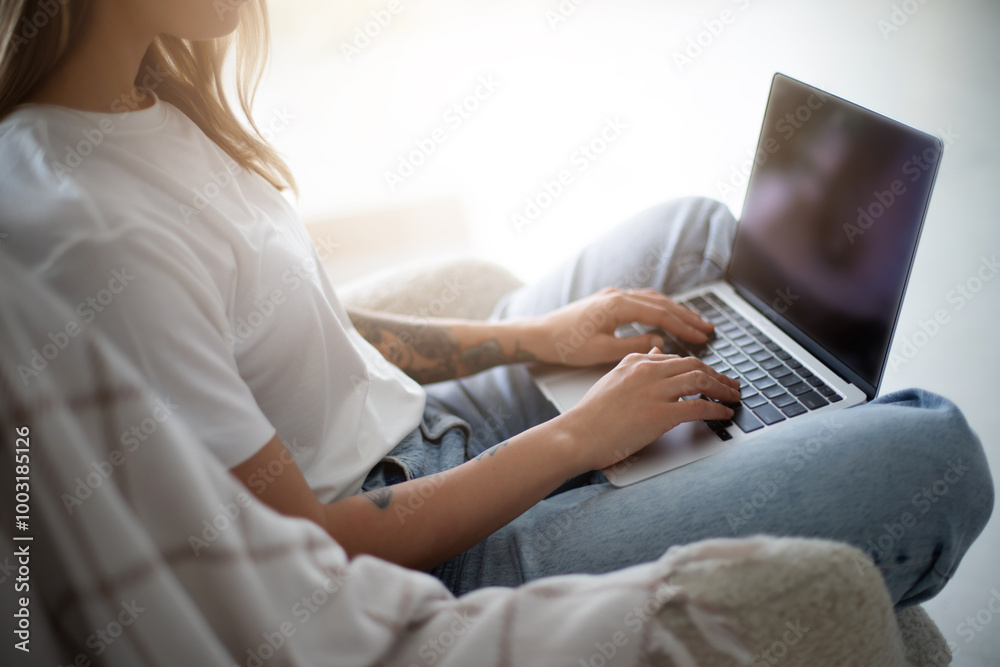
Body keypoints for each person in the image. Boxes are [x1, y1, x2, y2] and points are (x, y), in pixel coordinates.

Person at [0, 0, 991, 610]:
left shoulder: (148, 95)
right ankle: (727, 483)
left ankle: (743, 435)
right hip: (431, 561)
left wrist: (535, 338)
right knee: (936, 453)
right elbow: (302, 547)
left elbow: (302, 327)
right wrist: (571, 443)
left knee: (691, 237)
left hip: (432, 429)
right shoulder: (87, 226)